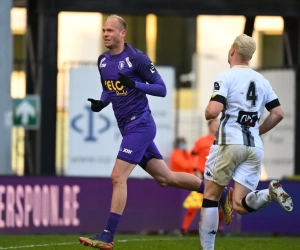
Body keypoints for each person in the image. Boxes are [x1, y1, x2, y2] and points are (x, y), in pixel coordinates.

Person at [78, 15, 232, 250]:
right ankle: (218, 192)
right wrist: (102, 102)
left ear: (122, 34)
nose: (106, 34)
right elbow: (109, 88)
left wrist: (135, 85)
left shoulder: (137, 58)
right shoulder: (102, 61)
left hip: (140, 125)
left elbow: (161, 89)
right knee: (166, 178)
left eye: (110, 30)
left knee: (118, 177)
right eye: (103, 30)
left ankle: (107, 236)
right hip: (127, 128)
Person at [199, 34, 293, 250]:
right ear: (250, 56)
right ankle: (269, 193)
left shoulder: (226, 77)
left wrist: (207, 113)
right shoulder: (262, 80)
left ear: (232, 50)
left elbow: (214, 110)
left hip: (229, 143)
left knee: (211, 196)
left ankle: (207, 249)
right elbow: (278, 113)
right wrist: (256, 131)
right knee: (240, 205)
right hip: (253, 146)